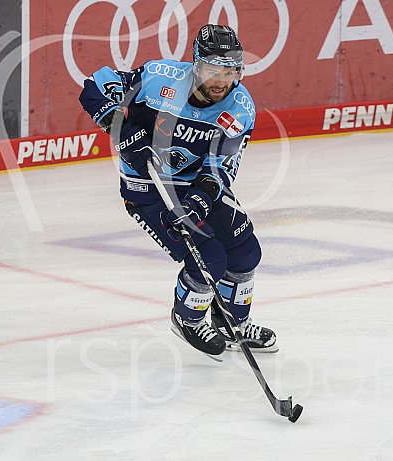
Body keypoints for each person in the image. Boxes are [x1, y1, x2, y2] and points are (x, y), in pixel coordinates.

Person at [79, 24, 277, 359]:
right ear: (197, 65)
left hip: (195, 184)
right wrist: (122, 130)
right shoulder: (160, 77)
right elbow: (94, 88)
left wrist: (197, 203)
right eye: (214, 71)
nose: (221, 82)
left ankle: (234, 325)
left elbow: (220, 168)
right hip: (149, 189)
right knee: (209, 259)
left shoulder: (240, 107)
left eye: (230, 72)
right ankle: (188, 319)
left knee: (245, 252)